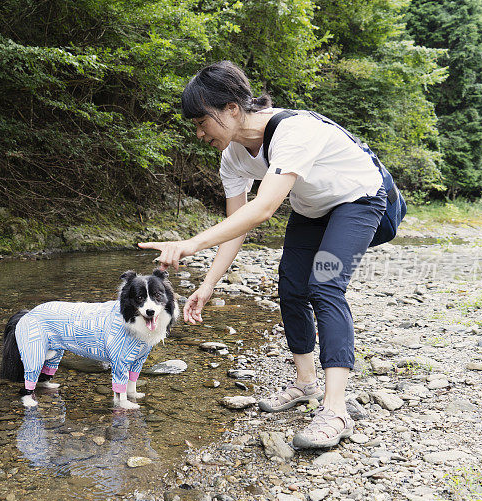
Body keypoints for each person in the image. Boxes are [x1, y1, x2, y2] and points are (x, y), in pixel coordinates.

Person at [139, 60, 387, 448]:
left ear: (232, 110)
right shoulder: (233, 157)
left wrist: (190, 244)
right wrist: (208, 284)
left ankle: (335, 409)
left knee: (324, 286)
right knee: (290, 287)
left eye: (202, 121)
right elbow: (238, 223)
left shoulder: (295, 130)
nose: (199, 133)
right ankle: (306, 384)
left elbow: (265, 207)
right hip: (312, 211)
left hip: (358, 201)